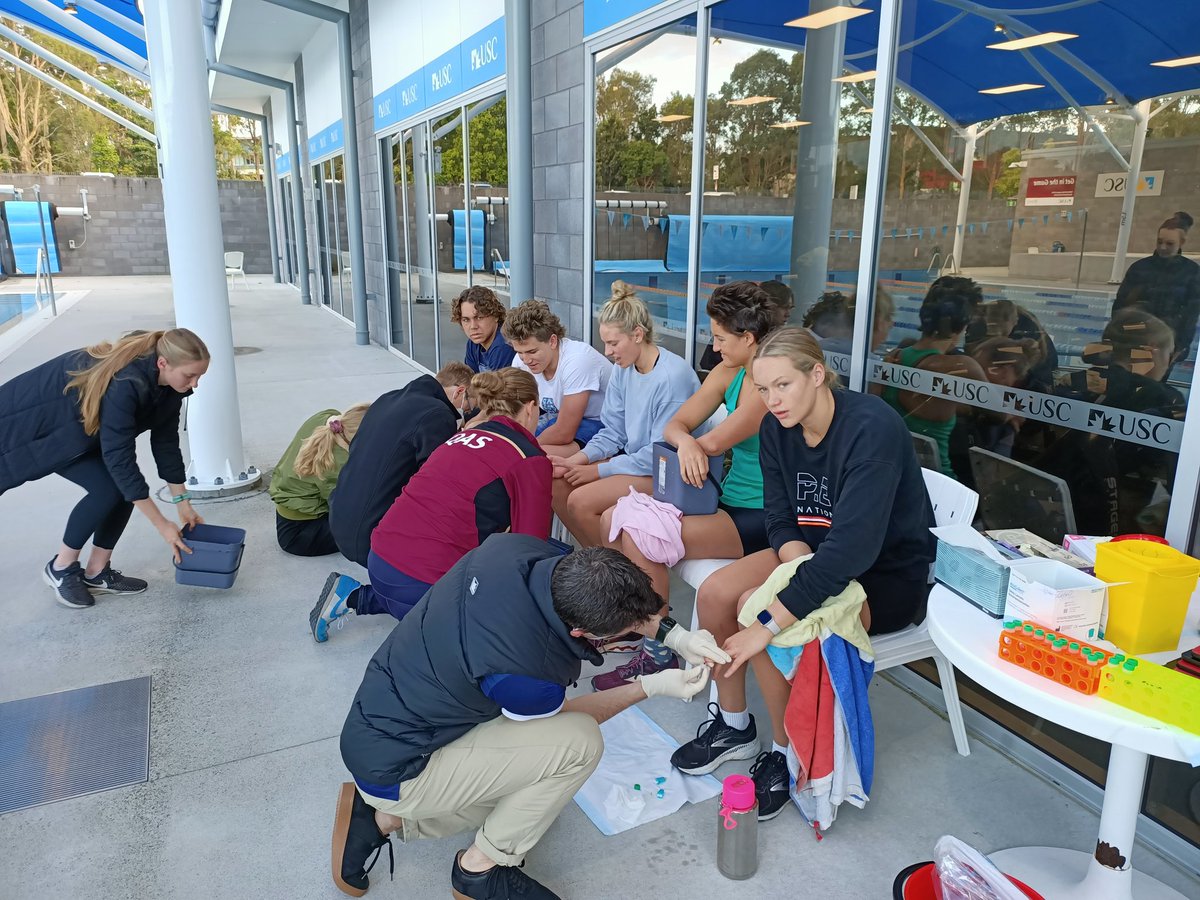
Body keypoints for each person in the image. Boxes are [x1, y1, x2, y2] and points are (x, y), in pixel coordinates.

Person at [330, 534, 720, 899]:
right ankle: (479, 870)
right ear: (582, 632)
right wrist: (650, 687)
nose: (639, 634)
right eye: (631, 633)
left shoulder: (519, 551)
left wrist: (675, 636)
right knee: (578, 745)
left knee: (531, 800)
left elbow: (628, 599)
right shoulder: (528, 674)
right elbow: (567, 722)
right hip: (402, 769)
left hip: (384, 723)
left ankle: (380, 821)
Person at [671, 327, 936, 820]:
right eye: (762, 388)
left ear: (817, 375)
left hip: (884, 574)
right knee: (714, 594)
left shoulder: (870, 427)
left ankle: (786, 754)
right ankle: (734, 725)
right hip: (812, 555)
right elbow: (779, 517)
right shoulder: (776, 427)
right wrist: (794, 564)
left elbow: (851, 553)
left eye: (783, 386)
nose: (772, 401)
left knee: (772, 628)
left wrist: (766, 621)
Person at [592, 280, 785, 691]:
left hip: (764, 514)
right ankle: (644, 629)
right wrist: (686, 443)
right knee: (614, 518)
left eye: (719, 337)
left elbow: (718, 439)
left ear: (748, 338)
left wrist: (697, 445)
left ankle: (658, 650)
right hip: (726, 501)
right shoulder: (729, 371)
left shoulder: (771, 386)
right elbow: (675, 425)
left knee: (636, 532)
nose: (714, 347)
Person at [311, 368, 552, 641]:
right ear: (531, 407)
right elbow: (529, 550)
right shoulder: (530, 459)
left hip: (378, 560)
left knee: (433, 566)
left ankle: (355, 597)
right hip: (422, 587)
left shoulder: (456, 438)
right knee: (495, 620)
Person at [0, 329, 209, 608]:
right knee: (109, 489)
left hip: (84, 424)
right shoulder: (126, 382)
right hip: (43, 424)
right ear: (163, 364)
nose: (195, 384)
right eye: (189, 376)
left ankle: (97, 572)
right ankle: (61, 568)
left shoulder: (171, 387)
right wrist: (163, 525)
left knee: (121, 488)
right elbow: (119, 459)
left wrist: (183, 503)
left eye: (199, 376)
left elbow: (166, 443)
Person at [552, 283, 703, 551]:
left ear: (637, 334)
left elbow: (659, 456)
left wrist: (597, 470)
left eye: (613, 343)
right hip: (640, 463)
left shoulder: (672, 379)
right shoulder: (625, 366)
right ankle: (603, 566)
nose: (608, 352)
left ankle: (618, 577)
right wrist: (576, 460)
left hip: (670, 475)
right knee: (559, 481)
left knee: (580, 502)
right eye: (605, 343)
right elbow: (613, 430)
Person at [327, 363, 473, 568]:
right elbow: (436, 485)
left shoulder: (388, 399)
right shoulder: (438, 414)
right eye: (467, 405)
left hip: (340, 520)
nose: (465, 412)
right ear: (460, 391)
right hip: (372, 539)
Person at [875, 275, 987, 478]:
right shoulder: (963, 367)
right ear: (963, 325)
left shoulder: (895, 358)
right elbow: (1000, 414)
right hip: (940, 482)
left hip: (898, 475)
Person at [504, 298, 611, 456]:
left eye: (532, 352)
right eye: (520, 352)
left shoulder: (578, 361)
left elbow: (564, 432)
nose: (526, 360)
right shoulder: (521, 361)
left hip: (603, 423)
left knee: (533, 454)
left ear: (552, 341)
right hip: (559, 418)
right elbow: (511, 410)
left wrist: (521, 446)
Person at [269, 403, 370, 557]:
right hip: (300, 535)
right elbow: (346, 508)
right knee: (374, 524)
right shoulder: (338, 464)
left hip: (290, 515)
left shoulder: (325, 417)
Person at [1113, 212, 1200, 372]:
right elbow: (1120, 306)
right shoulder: (1139, 268)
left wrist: (1180, 348)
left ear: (1182, 242)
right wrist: (1116, 338)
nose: (1162, 247)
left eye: (1169, 243)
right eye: (1159, 242)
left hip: (1166, 347)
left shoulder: (1192, 272)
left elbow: (1191, 315)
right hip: (1134, 341)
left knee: (1151, 392)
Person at [801, 287, 895, 354]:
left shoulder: (800, 343)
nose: (852, 332)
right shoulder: (838, 351)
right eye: (847, 324)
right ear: (826, 325)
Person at [453, 285, 515, 373]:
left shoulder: (503, 344)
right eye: (466, 320)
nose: (473, 326)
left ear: (495, 316)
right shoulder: (473, 344)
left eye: (479, 318)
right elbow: (468, 381)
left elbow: (497, 386)